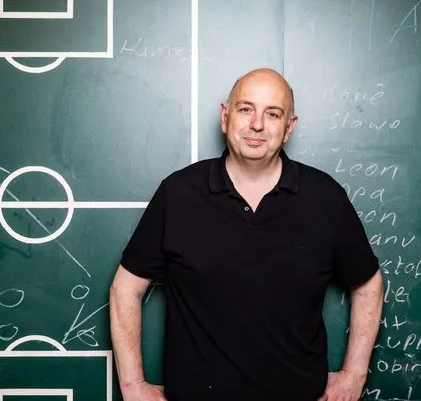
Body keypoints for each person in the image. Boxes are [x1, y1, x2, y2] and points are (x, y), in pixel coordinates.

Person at [110, 68, 384, 401]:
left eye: (273, 114)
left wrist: (354, 375)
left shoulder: (325, 198)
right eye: (245, 109)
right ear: (225, 117)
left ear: (289, 128)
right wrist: (132, 386)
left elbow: (368, 284)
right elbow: (126, 287)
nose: (257, 124)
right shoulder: (178, 194)